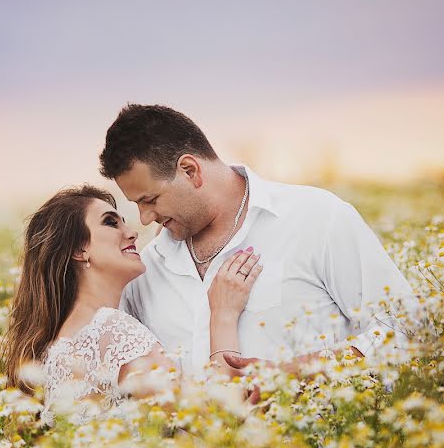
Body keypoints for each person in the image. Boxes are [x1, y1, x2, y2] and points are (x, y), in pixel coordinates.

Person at [99, 104, 417, 376]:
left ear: (189, 170)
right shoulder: (148, 269)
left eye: (150, 199)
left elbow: (408, 330)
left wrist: (292, 375)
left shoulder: (316, 217)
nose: (144, 218)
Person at [0, 185, 262, 426]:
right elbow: (216, 420)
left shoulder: (56, 345)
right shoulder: (114, 335)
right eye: (111, 223)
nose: (132, 232)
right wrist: (223, 315)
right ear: (79, 250)